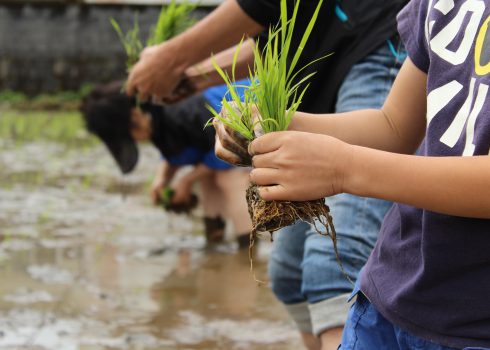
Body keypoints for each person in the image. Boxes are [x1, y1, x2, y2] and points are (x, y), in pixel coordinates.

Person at [125, 1, 407, 349]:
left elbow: (261, 5)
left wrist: (172, 56)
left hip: (381, 43)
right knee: (288, 275)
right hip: (329, 71)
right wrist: (196, 77)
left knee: (335, 265)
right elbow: (281, 39)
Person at [215, 0, 490, 347]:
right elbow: (393, 125)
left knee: (326, 270)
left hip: (474, 327)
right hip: (387, 298)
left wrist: (344, 169)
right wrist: (277, 125)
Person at [80, 81, 253, 249]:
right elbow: (178, 150)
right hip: (219, 134)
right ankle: (215, 241)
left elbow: (224, 154)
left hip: (248, 110)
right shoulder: (154, 118)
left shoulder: (182, 112)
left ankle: (247, 251)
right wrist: (162, 179)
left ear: (135, 116)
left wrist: (186, 181)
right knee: (208, 180)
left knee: (228, 179)